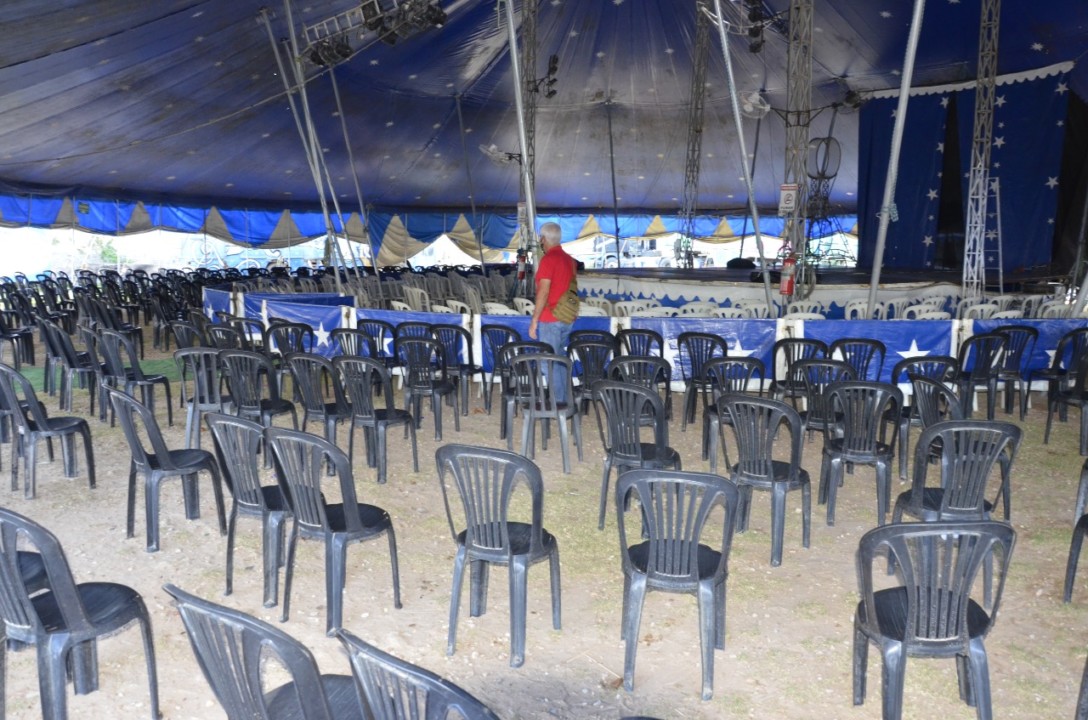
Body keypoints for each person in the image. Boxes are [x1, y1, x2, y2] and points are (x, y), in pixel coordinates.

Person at [529, 221, 577, 403]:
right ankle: (565, 400)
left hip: (550, 317)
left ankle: (558, 404)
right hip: (567, 316)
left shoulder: (548, 260)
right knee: (560, 359)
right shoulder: (569, 260)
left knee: (548, 361)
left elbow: (543, 291)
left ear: (543, 239)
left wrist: (535, 319)